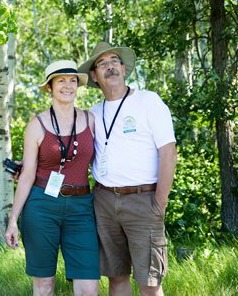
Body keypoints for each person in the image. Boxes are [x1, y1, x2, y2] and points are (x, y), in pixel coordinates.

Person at [78, 42, 177, 296]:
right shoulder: (93, 113)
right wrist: (30, 165)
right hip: (104, 201)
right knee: (116, 277)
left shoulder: (148, 101)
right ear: (94, 76)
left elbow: (168, 152)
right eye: (102, 63)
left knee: (150, 282)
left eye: (114, 61)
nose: (110, 66)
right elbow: (73, 151)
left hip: (143, 200)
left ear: (123, 68)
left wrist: (159, 203)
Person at [4, 60, 100, 296]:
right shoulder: (36, 126)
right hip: (42, 206)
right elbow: (27, 174)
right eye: (61, 80)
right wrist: (13, 219)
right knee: (44, 285)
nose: (68, 85)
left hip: (82, 208)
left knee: (89, 287)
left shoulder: (91, 120)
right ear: (49, 87)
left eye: (72, 80)